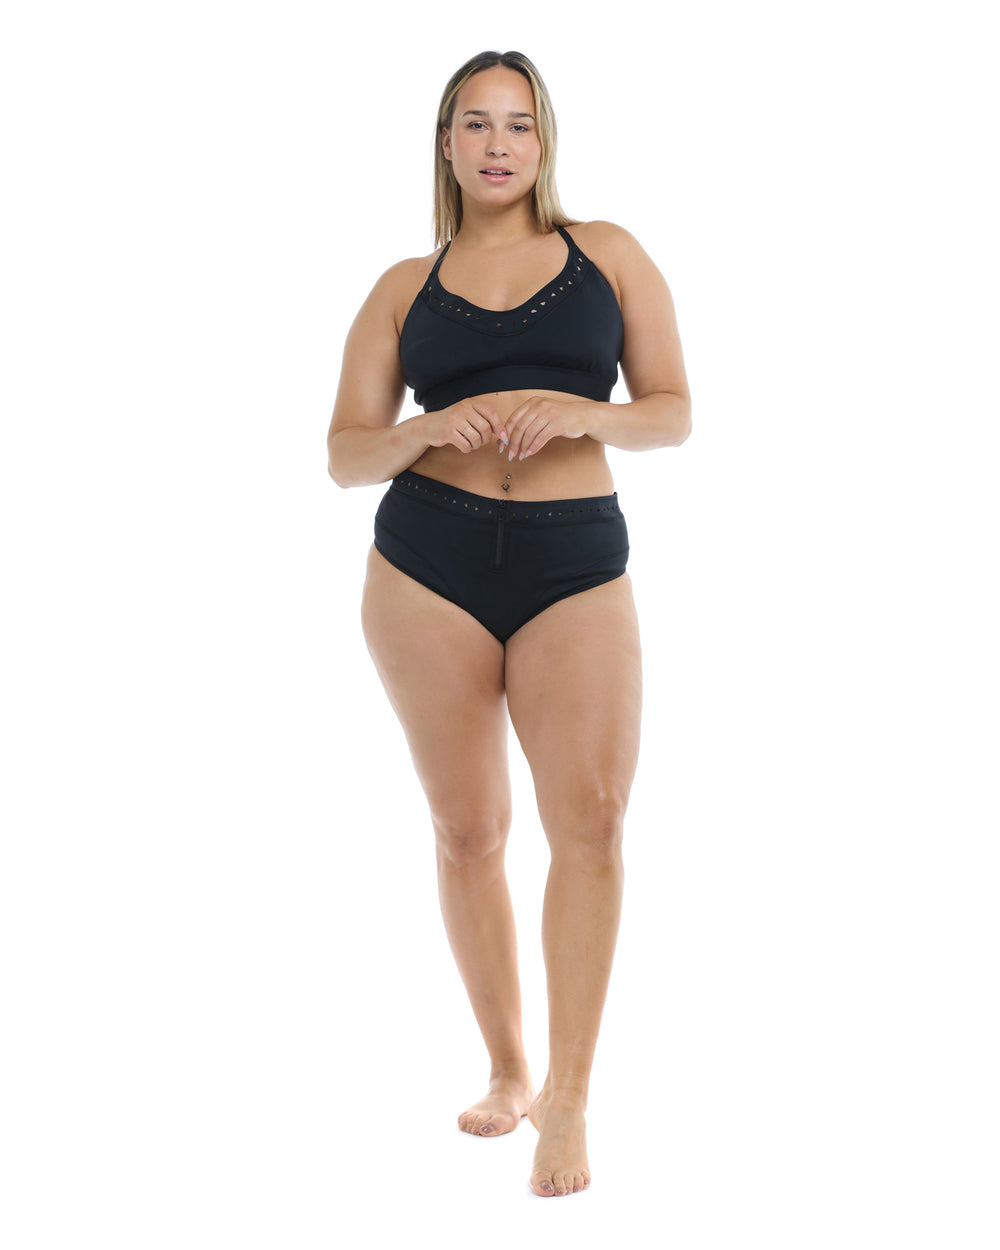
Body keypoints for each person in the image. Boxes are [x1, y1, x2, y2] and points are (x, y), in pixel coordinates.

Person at [327, 49, 690, 1198]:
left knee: (593, 817)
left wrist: (584, 411)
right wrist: (425, 432)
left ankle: (568, 1097)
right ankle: (506, 1065)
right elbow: (345, 453)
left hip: (572, 561)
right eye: (476, 123)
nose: (498, 144)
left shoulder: (607, 255)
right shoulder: (403, 285)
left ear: (544, 142)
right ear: (445, 143)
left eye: (519, 125)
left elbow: (672, 413)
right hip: (424, 565)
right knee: (468, 828)